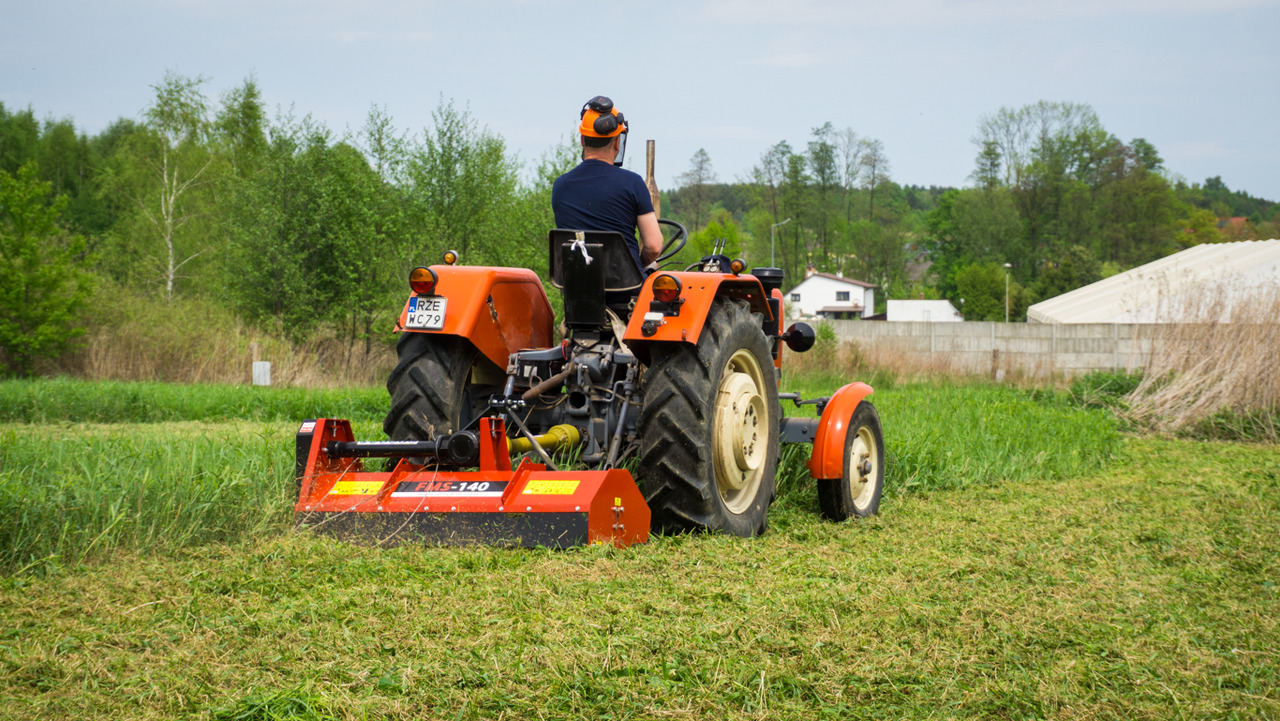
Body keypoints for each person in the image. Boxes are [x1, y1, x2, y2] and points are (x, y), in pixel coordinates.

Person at [552, 96, 664, 275]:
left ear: (582, 140)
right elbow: (654, 246)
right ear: (617, 142)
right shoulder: (633, 183)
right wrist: (636, 266)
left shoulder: (560, 185)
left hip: (578, 292)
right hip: (628, 293)